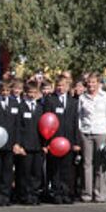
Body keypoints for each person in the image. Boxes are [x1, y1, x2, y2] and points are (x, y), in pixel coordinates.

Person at [43, 73, 81, 204]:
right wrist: (47, 142)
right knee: (56, 169)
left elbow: (76, 123)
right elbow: (46, 122)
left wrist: (76, 142)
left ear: (68, 86)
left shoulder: (73, 102)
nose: (60, 88)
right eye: (58, 85)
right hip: (54, 141)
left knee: (68, 169)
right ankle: (57, 193)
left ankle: (67, 193)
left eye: (63, 85)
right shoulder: (50, 100)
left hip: (69, 140)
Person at [78, 73, 106, 202]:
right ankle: (87, 193)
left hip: (101, 132)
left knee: (101, 164)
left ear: (98, 83)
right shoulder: (83, 97)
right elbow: (80, 116)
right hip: (86, 132)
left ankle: (100, 194)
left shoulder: (105, 97)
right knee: (87, 164)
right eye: (89, 82)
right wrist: (80, 132)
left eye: (94, 82)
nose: (91, 85)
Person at [13, 81, 45, 205]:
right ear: (25, 93)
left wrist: (44, 144)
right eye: (30, 92)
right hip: (25, 146)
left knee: (36, 173)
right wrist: (17, 144)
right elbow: (17, 127)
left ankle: (34, 195)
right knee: (24, 172)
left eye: (34, 92)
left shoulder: (40, 108)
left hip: (37, 145)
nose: (32, 95)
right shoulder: (20, 107)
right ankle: (24, 196)